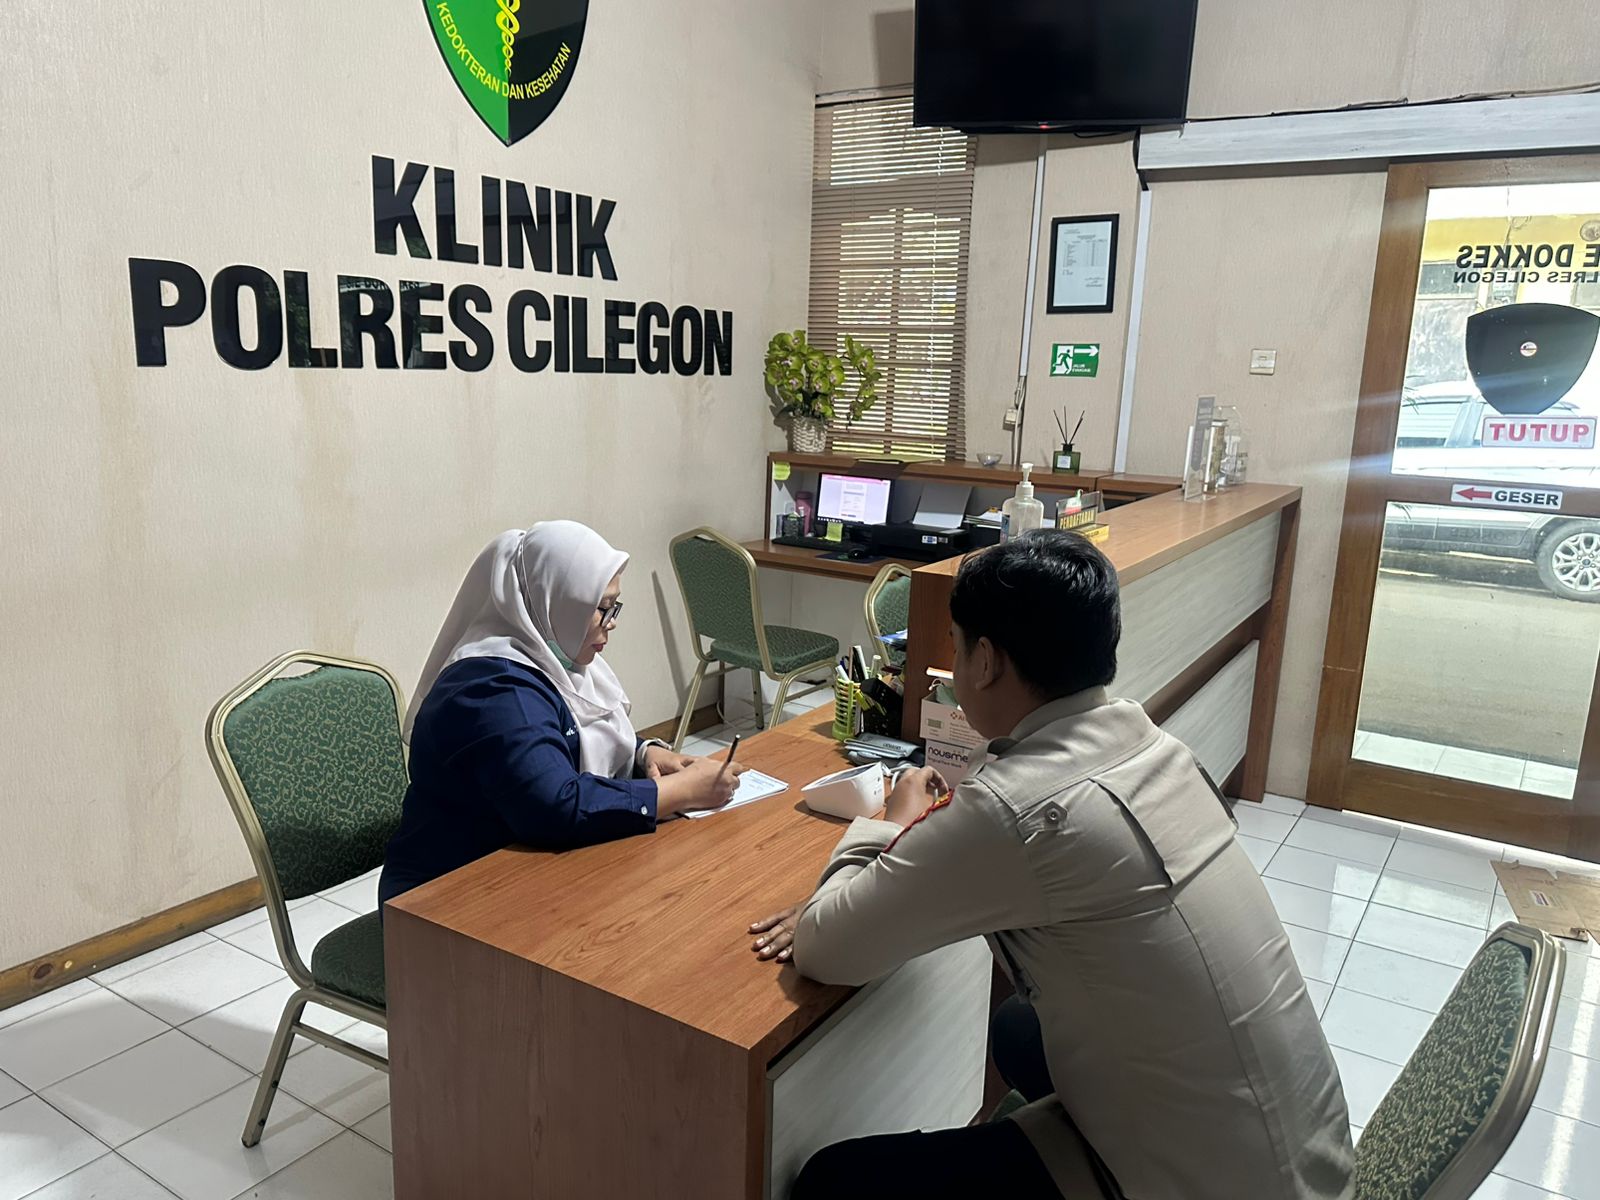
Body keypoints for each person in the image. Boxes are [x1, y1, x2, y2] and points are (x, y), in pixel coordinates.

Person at [748, 531, 1353, 1200]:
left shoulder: (1016, 811)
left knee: (834, 1181)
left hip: (1203, 1184)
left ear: (985, 661)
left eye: (956, 645)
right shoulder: (1154, 746)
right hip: (1298, 1151)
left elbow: (827, 946)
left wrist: (887, 823)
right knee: (1018, 1031)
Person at [380, 521, 743, 906]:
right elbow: (554, 805)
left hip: (519, 874)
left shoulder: (553, 660)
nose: (612, 621)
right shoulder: (493, 688)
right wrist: (681, 791)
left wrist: (643, 753)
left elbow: (567, 733)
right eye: (601, 608)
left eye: (613, 606)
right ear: (555, 601)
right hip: (442, 901)